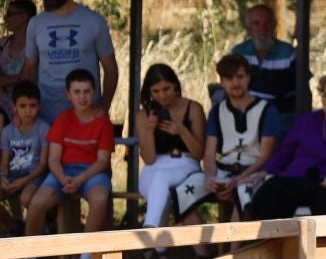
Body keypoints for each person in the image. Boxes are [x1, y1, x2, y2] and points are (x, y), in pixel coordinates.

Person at [244, 71, 326, 220]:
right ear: (322, 96)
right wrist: (263, 173)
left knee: (325, 202)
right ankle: (270, 242)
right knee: (269, 194)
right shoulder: (305, 121)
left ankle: (321, 244)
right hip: (296, 178)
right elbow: (285, 152)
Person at [23, 0, 117, 121]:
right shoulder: (35, 23)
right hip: (45, 116)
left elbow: (110, 68)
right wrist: (25, 109)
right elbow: (29, 69)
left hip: (86, 116)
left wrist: (105, 103)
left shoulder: (94, 21)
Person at [26, 69, 116, 237]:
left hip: (93, 172)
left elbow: (102, 161)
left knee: (100, 199)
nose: (82, 97)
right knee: (37, 202)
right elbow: (53, 159)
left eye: (87, 91)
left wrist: (79, 180)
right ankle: (29, 255)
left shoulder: (103, 123)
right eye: (77, 92)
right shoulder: (63, 120)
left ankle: (86, 254)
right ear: (68, 95)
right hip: (64, 171)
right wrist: (63, 179)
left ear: (94, 93)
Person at [133, 63, 207, 229]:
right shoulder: (143, 114)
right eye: (156, 91)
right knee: (159, 189)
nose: (162, 96)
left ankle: (149, 229)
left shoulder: (193, 108)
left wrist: (182, 131)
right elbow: (149, 159)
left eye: (166, 89)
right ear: (149, 92)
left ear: (175, 85)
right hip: (154, 166)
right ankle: (160, 252)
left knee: (161, 180)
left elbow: (199, 153)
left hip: (185, 164)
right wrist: (150, 130)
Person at [204, 53, 276, 219]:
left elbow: (265, 156)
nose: (235, 83)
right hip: (223, 171)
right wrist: (211, 177)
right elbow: (209, 154)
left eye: (240, 77)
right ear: (221, 82)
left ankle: (235, 246)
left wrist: (238, 179)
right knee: (184, 193)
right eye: (229, 78)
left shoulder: (266, 110)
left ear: (248, 78)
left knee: (242, 192)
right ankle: (198, 245)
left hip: (253, 173)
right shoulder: (216, 112)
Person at [232, 3, 301, 137]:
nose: (262, 28)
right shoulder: (238, 53)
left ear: (274, 25)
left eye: (267, 23)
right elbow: (230, 90)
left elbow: (302, 91)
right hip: (246, 117)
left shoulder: (289, 53)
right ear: (248, 28)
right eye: (256, 24)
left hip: (281, 119)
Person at [0, 82, 48, 235]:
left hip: (34, 176)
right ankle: (14, 227)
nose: (28, 110)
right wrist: (3, 178)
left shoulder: (44, 128)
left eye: (32, 105)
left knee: (26, 198)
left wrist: (24, 181)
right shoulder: (8, 131)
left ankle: (34, 234)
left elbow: (43, 164)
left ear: (39, 106)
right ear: (14, 107)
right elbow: (4, 162)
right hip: (13, 176)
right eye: (23, 106)